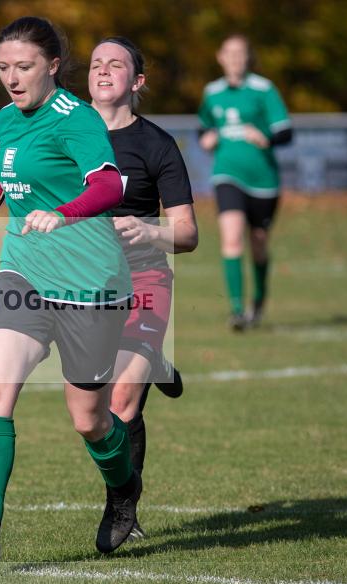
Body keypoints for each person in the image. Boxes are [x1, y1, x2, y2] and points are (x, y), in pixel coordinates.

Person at [0, 16, 141, 570]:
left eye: (23, 67)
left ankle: (124, 487)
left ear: (52, 65)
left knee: (89, 419)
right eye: (3, 67)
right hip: (22, 273)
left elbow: (109, 184)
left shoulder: (76, 119)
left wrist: (64, 213)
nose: (12, 78)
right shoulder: (4, 119)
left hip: (91, 283)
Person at [88, 37, 199, 540]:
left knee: (121, 399)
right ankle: (152, 360)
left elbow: (188, 233)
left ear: (137, 81)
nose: (103, 70)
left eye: (115, 64)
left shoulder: (156, 144)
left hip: (143, 279)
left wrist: (150, 231)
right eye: (96, 63)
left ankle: (122, 507)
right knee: (91, 412)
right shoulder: (66, 136)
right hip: (83, 284)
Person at [197, 34, 292, 331]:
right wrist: (206, 138)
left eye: (240, 53)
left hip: (263, 180)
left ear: (248, 57)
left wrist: (266, 138)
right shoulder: (212, 92)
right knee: (232, 238)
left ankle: (258, 302)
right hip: (227, 173)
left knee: (259, 244)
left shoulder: (264, 89)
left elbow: (285, 132)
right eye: (230, 53)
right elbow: (204, 126)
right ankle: (237, 311)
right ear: (220, 57)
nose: (235, 59)